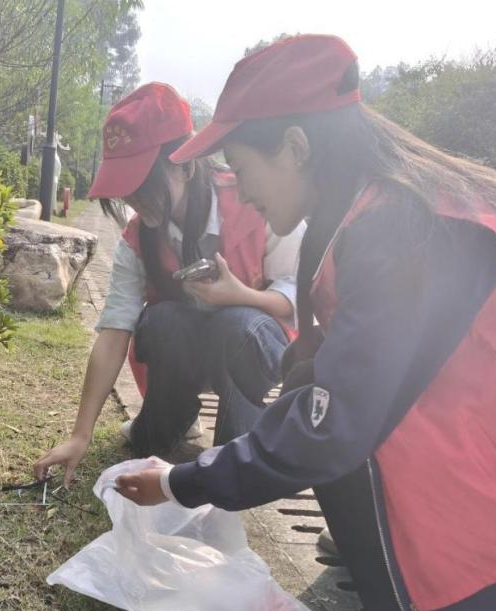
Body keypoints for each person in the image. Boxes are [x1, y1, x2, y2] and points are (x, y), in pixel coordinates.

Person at [113, 35, 496, 611]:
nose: (241, 187)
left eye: (241, 164)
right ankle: (397, 541)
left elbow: (334, 424)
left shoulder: (397, 227)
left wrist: (181, 483)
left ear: (296, 147)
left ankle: (472, 610)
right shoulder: (367, 204)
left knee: (326, 419)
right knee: (312, 388)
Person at [33, 83, 305, 486]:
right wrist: (80, 435)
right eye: (126, 186)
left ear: (186, 165)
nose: (134, 198)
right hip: (191, 346)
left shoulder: (253, 198)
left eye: (143, 182)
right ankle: (168, 423)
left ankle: (238, 458)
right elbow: (114, 332)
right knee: (161, 321)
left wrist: (239, 295)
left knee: (237, 324)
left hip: (252, 343)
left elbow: (299, 296)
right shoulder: (138, 237)